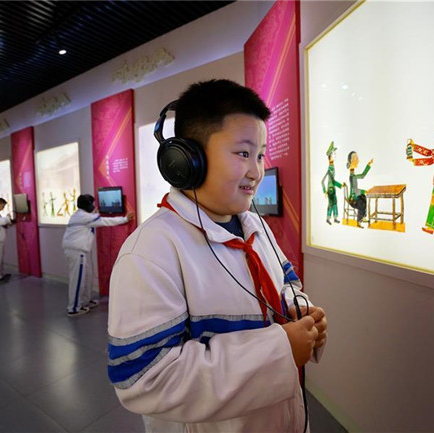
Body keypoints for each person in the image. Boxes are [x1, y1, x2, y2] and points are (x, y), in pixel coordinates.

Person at [107, 79, 327, 432]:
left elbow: (287, 282)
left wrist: (299, 310)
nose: (257, 171)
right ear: (186, 160)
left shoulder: (256, 226)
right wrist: (280, 350)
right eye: (243, 154)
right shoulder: (150, 252)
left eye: (260, 155)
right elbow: (144, 379)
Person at [62, 194, 133, 317]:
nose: (94, 206)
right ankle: (73, 308)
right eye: (92, 204)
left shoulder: (81, 215)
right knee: (77, 280)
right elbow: (105, 221)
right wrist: (125, 219)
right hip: (77, 252)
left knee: (87, 277)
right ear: (88, 205)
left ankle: (85, 301)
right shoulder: (83, 216)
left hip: (81, 251)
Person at [347, 151, 373, 228]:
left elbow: (362, 176)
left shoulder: (353, 175)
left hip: (355, 196)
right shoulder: (352, 176)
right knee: (361, 203)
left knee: (363, 197)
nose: (358, 160)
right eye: (356, 158)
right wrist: (364, 191)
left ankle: (363, 217)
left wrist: (368, 165)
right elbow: (354, 189)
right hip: (352, 200)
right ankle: (358, 222)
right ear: (351, 161)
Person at [321, 141, 342, 225]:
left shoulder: (332, 167)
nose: (335, 155)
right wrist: (324, 191)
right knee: (331, 204)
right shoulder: (330, 169)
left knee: (335, 204)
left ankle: (335, 218)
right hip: (330, 190)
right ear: (330, 156)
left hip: (333, 189)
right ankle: (328, 218)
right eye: (334, 154)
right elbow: (323, 181)